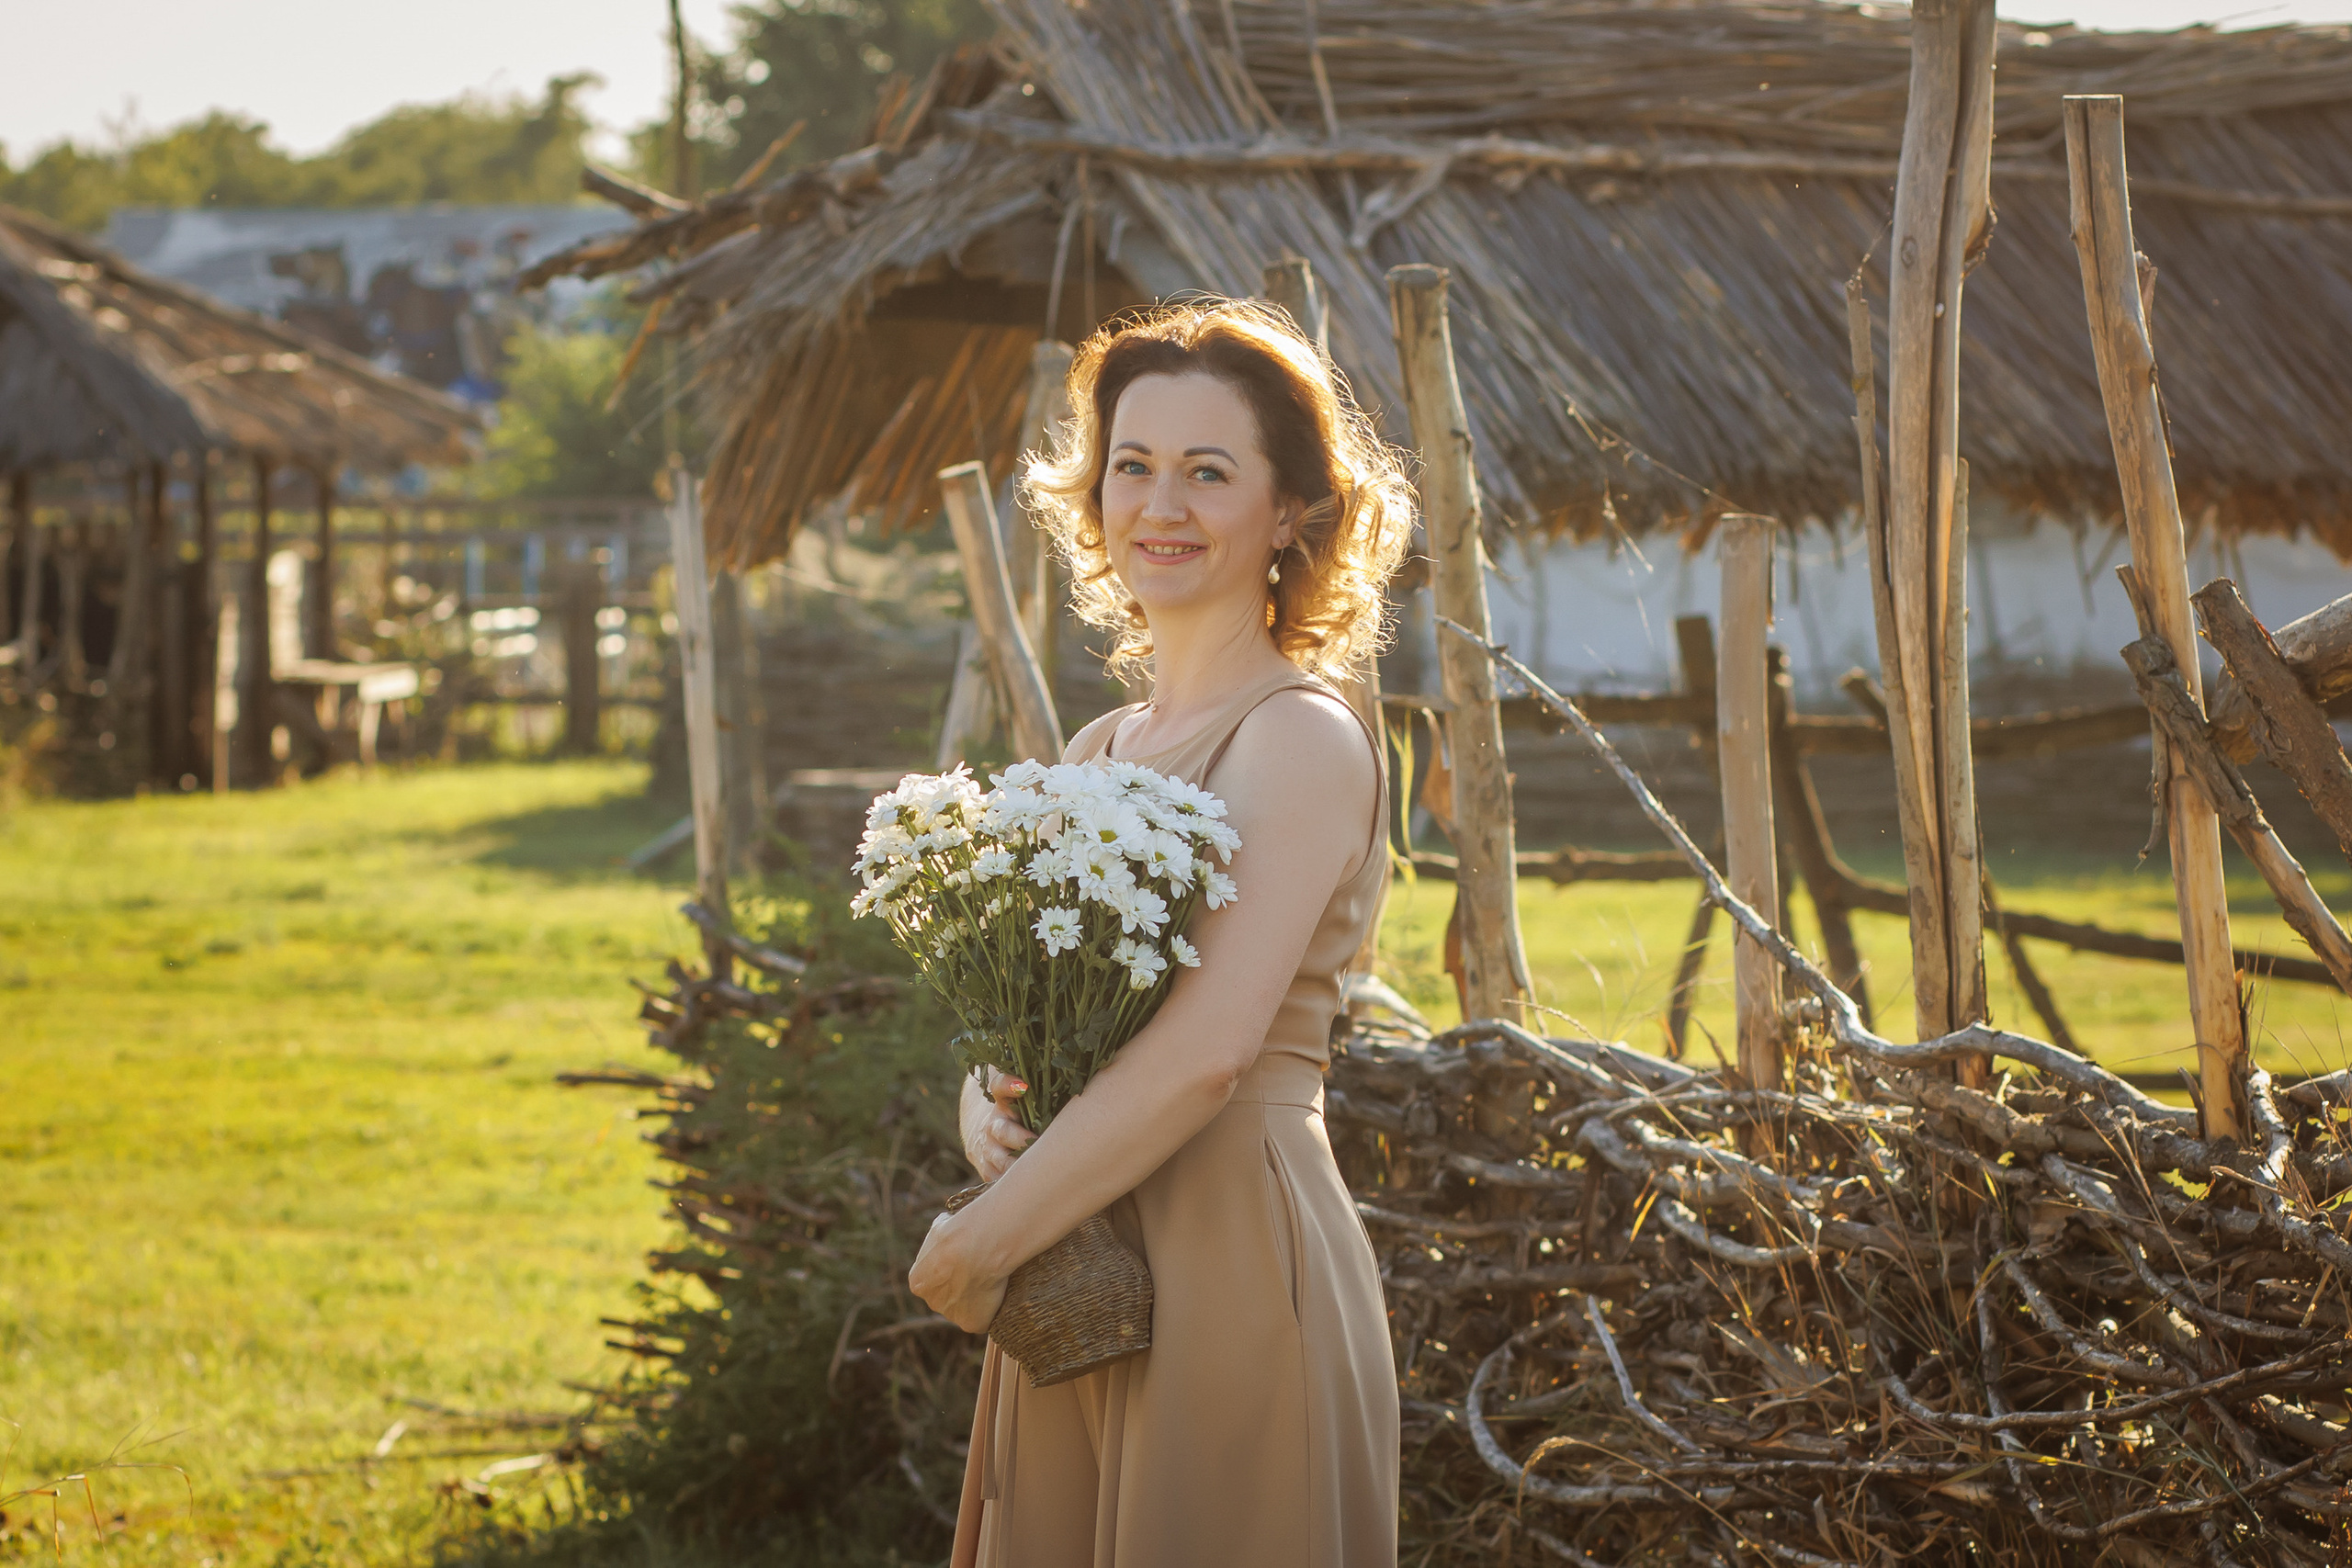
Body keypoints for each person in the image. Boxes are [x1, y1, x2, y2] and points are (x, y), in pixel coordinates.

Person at [908, 297, 1414, 1568]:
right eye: (1132, 465)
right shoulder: (1096, 749)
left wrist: (984, 1243)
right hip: (1081, 1269)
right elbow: (1042, 1018)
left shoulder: (1297, 735)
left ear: (1290, 511)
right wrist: (989, 1100)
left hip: (1229, 1258)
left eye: (1209, 472)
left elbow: (1207, 1055)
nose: (1160, 505)